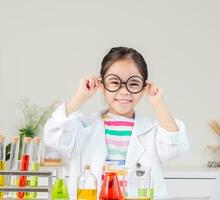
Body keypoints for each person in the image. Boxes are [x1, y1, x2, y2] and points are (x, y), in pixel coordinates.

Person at [44, 47, 189, 199]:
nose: (124, 90)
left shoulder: (151, 131)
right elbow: (53, 135)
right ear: (101, 85)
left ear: (144, 87)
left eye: (133, 84)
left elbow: (175, 147)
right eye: (114, 82)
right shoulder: (83, 128)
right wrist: (81, 96)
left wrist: (158, 103)